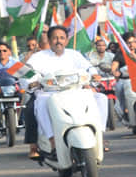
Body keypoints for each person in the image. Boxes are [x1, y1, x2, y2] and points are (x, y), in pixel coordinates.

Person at [25, 25, 109, 160]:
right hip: (50, 93)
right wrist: (33, 81)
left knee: (101, 98)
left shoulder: (74, 54)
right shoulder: (38, 57)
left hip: (75, 91)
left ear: (66, 40)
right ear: (49, 39)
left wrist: (94, 75)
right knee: (40, 103)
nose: (59, 41)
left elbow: (88, 68)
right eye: (55, 38)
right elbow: (28, 73)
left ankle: (99, 135)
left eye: (62, 38)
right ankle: (52, 141)